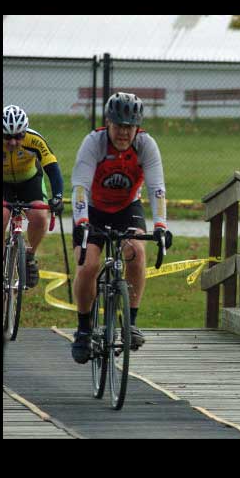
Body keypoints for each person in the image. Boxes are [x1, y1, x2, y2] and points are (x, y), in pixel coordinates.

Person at [69, 92, 170, 364]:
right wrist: (81, 223)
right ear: (108, 122)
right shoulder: (94, 143)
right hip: (91, 208)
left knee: (136, 251)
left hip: (127, 207)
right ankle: (83, 329)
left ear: (137, 127)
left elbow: (157, 188)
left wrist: (160, 225)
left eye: (129, 126)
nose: (123, 132)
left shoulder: (146, 145)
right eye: (118, 125)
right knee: (88, 265)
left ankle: (131, 322)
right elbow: (79, 186)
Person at [3, 105, 65, 288]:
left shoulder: (35, 140)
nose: (13, 142)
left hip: (30, 181)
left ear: (25, 132)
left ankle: (29, 256)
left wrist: (58, 197)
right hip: (4, 183)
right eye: (7, 137)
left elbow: (53, 170)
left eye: (18, 136)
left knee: (39, 216)